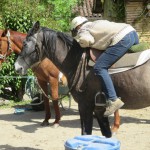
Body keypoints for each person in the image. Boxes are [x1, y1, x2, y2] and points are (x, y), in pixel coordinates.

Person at [70, 16, 139, 116]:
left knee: (99, 67)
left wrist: (80, 42)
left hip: (122, 39)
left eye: (75, 30)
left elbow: (86, 40)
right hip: (132, 33)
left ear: (78, 26)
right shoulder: (96, 22)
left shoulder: (83, 29)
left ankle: (113, 99)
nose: (77, 32)